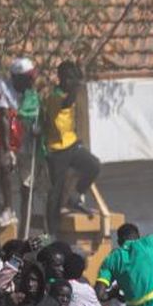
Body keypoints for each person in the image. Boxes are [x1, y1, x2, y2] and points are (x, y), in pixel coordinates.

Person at [42, 60, 101, 228]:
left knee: (93, 166)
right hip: (56, 150)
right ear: (60, 78)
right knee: (55, 192)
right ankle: (51, 231)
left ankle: (75, 196)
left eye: (72, 80)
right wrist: (76, 86)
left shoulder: (71, 93)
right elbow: (66, 103)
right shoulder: (54, 96)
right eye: (67, 79)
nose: (70, 83)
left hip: (71, 145)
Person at [0, 57, 41, 227]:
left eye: (32, 77)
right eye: (28, 77)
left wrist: (36, 128)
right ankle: (8, 209)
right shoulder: (3, 86)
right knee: (4, 162)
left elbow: (36, 114)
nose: (32, 81)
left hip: (27, 140)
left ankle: (25, 224)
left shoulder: (32, 91)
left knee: (27, 184)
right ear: (17, 77)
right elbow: (3, 118)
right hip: (10, 137)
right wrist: (7, 149)